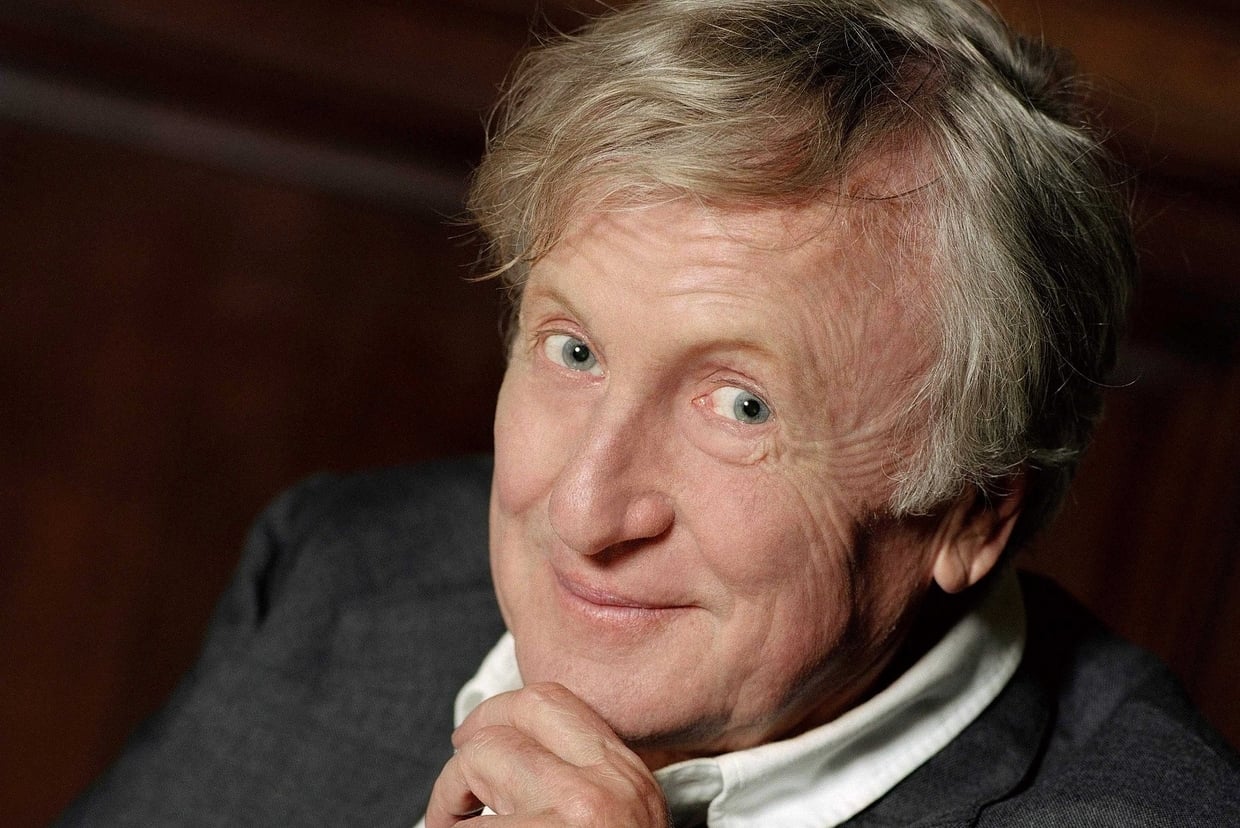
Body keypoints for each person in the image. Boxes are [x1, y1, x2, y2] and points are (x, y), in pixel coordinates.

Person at [60, 0, 1239, 825]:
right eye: (574, 350)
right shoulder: (346, 572)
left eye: (741, 405)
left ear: (972, 512)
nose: (585, 512)